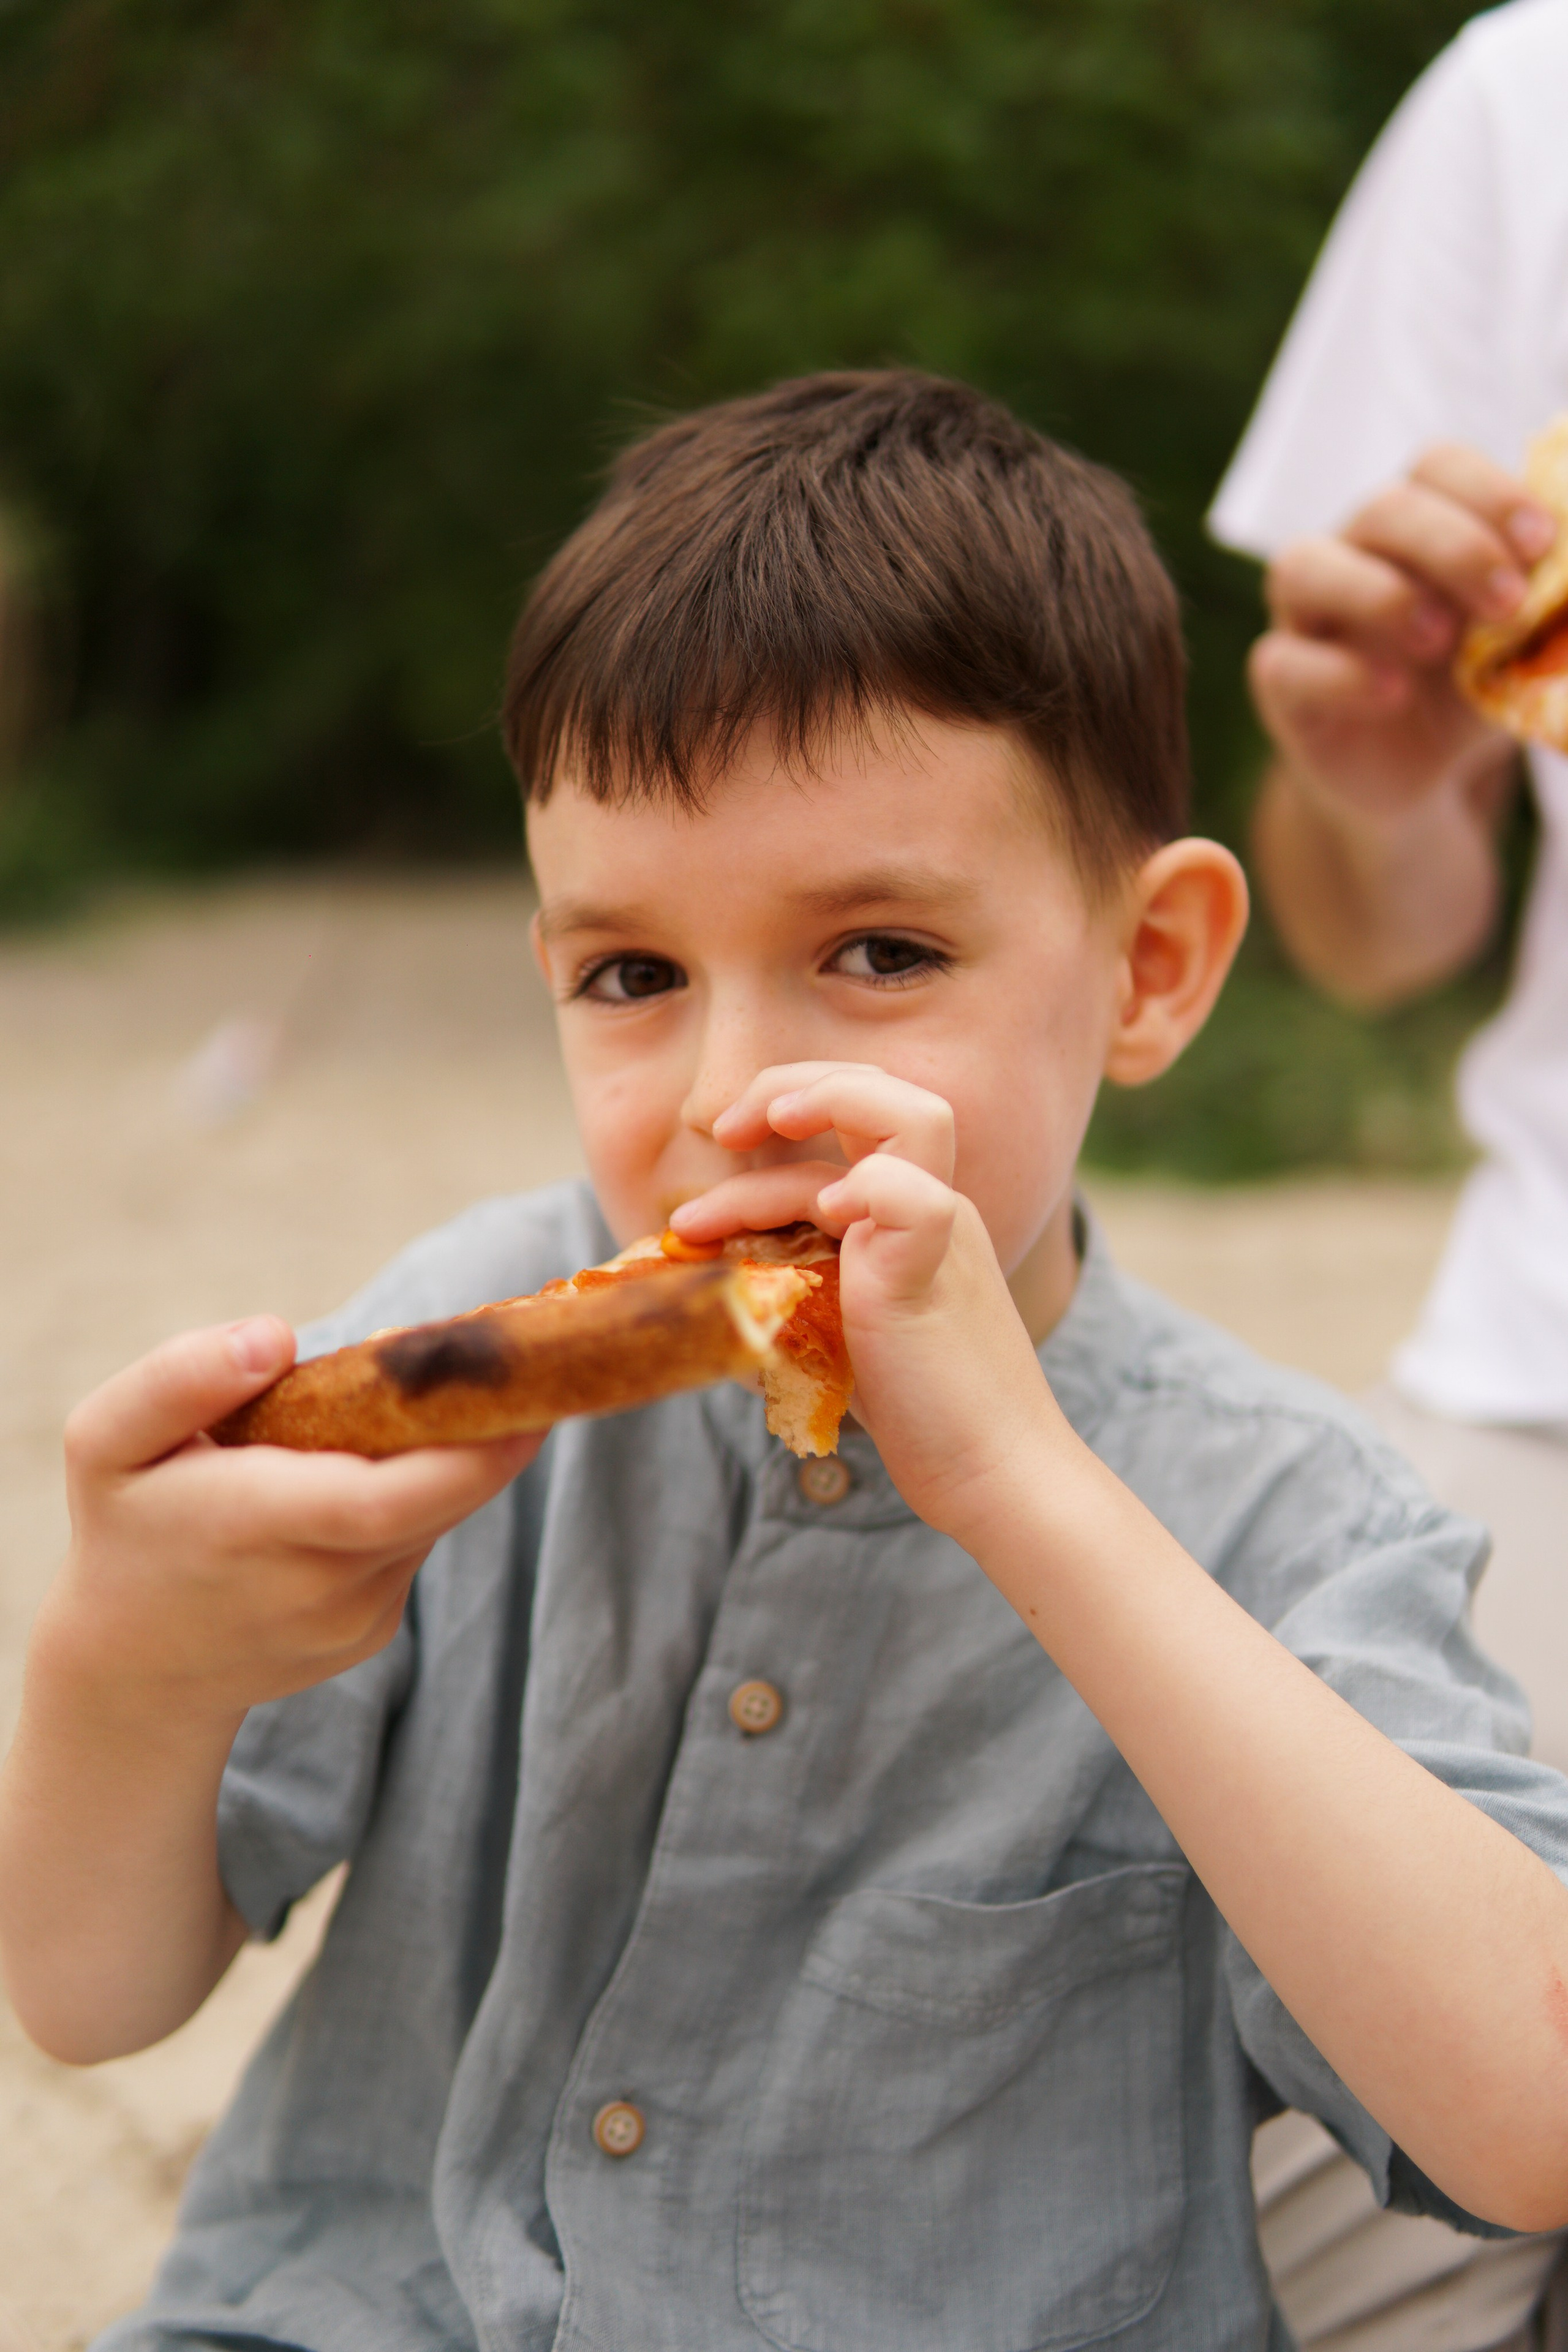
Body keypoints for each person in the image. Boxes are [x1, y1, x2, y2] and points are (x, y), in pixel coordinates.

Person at [6, 372, 1568, 2350]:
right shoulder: (462, 1359)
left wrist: (1029, 1493)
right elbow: (87, 1993)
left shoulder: (1283, 1514)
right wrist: (126, 1666)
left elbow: (1528, 2129)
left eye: (883, 953)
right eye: (633, 978)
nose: (734, 1096)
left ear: (1151, 968)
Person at [1209, 4, 1568, 2339]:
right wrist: (1381, 779)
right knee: (1322, 2192)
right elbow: (1372, 937)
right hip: (1554, 1373)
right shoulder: (1539, 102)